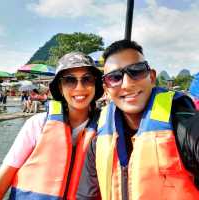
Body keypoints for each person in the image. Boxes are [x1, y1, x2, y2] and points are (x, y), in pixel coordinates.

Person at [77, 39, 199, 199]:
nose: (127, 84)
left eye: (137, 71)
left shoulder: (183, 125)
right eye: (114, 77)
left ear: (152, 77)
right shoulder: (99, 140)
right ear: (106, 89)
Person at [0, 52, 103, 199]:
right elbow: (5, 176)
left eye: (87, 79)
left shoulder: (106, 129)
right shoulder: (37, 124)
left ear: (95, 85)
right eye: (69, 80)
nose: (79, 87)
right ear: (60, 87)